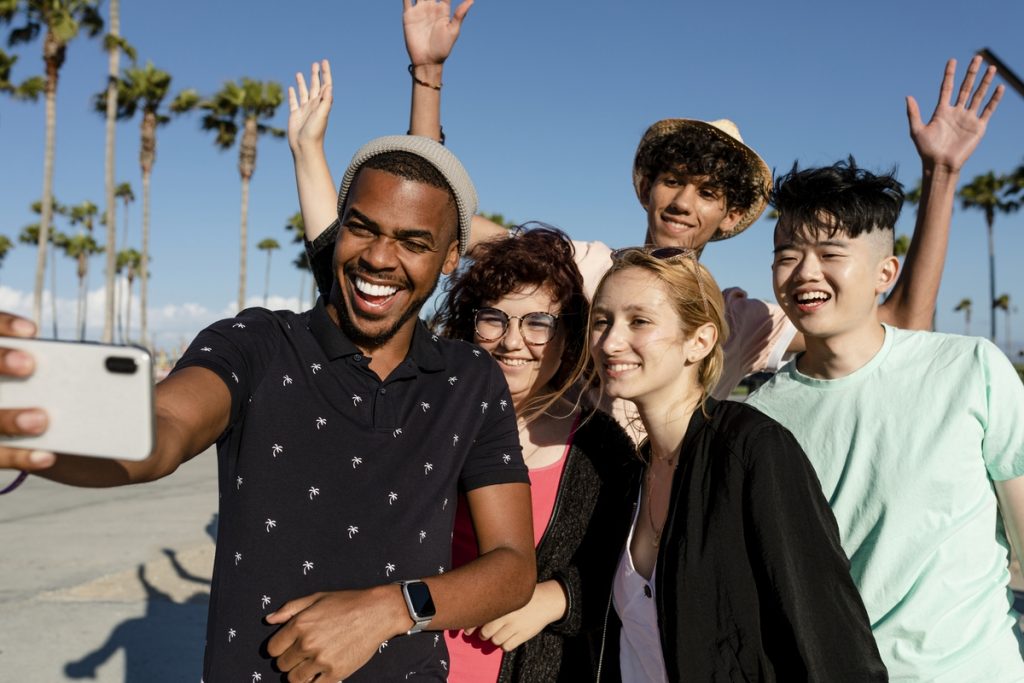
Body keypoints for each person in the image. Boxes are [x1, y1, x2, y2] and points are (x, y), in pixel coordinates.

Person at [288, 0, 1004, 436]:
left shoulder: (746, 320)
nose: (682, 201)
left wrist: (940, 178)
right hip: (564, 506)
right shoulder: (591, 265)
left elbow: (897, 331)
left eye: (704, 191)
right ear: (646, 189)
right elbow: (450, 222)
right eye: (671, 180)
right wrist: (429, 78)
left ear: (728, 216)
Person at [0, 136, 538, 682]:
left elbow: (514, 568)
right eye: (362, 227)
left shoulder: (470, 379)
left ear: (449, 258)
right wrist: (35, 422)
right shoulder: (257, 342)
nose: (379, 257)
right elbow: (163, 430)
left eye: (413, 242)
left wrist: (389, 610)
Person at [746, 158, 1024, 681]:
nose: (805, 272)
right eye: (787, 255)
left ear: (885, 273)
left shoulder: (969, 368)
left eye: (830, 253)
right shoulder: (759, 419)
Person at [587, 247, 886, 681]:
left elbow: (835, 645)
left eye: (639, 321)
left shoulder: (753, 451)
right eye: (602, 320)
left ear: (701, 341)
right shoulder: (628, 470)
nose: (610, 341)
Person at [432, 225, 635, 681]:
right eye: (494, 318)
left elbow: (628, 570)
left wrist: (559, 598)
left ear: (567, 339)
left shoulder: (601, 448)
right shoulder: (431, 420)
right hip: (413, 662)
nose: (511, 341)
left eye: (537, 323)